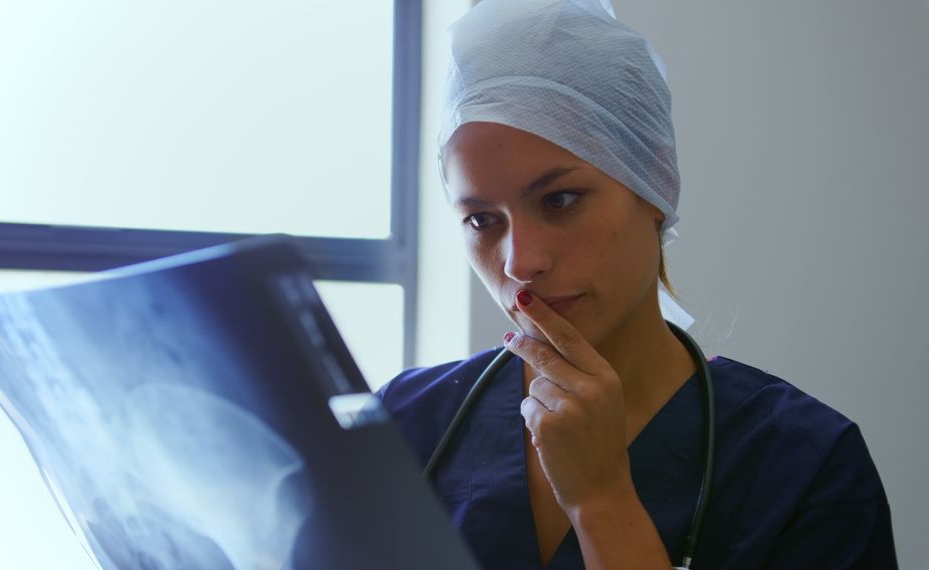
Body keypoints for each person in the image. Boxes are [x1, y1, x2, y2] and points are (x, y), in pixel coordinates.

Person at [375, 1, 897, 568]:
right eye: (482, 220)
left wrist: (602, 504)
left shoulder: (806, 466)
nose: (520, 262)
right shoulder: (402, 426)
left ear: (655, 183)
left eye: (560, 199)